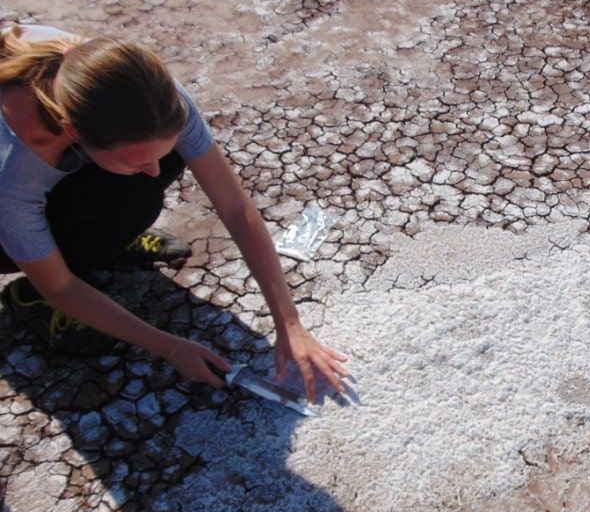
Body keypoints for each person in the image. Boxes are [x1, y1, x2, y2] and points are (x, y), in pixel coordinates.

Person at [0, 23, 348, 401]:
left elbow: (234, 207)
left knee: (146, 181)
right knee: (111, 206)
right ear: (73, 132)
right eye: (137, 162)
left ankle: (105, 240)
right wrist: (170, 346)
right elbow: (61, 285)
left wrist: (290, 322)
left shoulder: (156, 98)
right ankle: (30, 293)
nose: (153, 174)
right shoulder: (14, 167)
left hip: (67, 165)